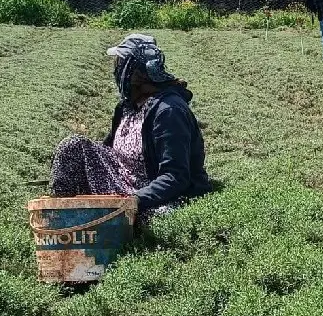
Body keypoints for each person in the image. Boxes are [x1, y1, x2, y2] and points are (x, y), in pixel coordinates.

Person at [49, 34, 212, 222]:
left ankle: (103, 220)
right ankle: (61, 217)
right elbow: (108, 151)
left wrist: (135, 200)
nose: (117, 70)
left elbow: (175, 176)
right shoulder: (127, 106)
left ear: (138, 73)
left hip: (153, 194)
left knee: (152, 219)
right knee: (73, 146)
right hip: (121, 184)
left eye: (121, 63)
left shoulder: (169, 112)